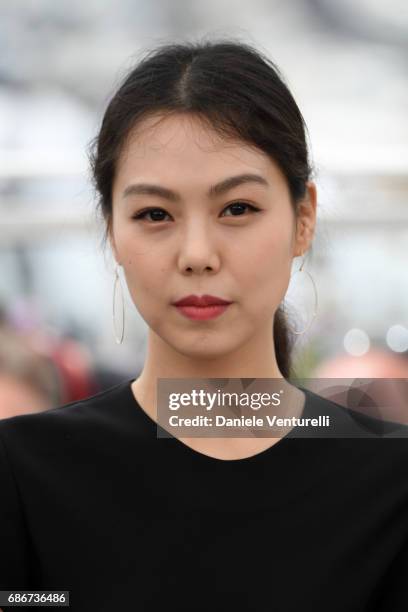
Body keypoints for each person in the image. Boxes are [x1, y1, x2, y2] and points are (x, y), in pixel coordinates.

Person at [0, 38, 407, 612]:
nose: (197, 254)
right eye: (154, 215)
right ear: (112, 230)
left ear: (303, 218)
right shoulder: (26, 476)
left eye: (237, 208)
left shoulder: (390, 487)